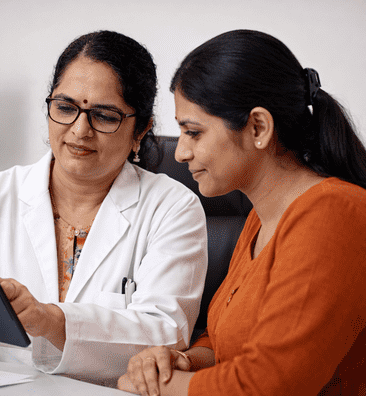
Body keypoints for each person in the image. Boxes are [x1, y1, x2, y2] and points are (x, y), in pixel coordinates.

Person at [0, 30, 208, 385]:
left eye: (104, 115)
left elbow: (166, 335)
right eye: (66, 108)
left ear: (140, 130)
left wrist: (51, 320)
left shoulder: (173, 208)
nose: (80, 130)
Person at [118, 29, 366, 395]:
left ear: (258, 127)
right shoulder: (258, 219)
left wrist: (155, 387)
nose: (181, 152)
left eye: (193, 132)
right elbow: (225, 340)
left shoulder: (333, 214)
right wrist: (183, 360)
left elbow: (272, 385)